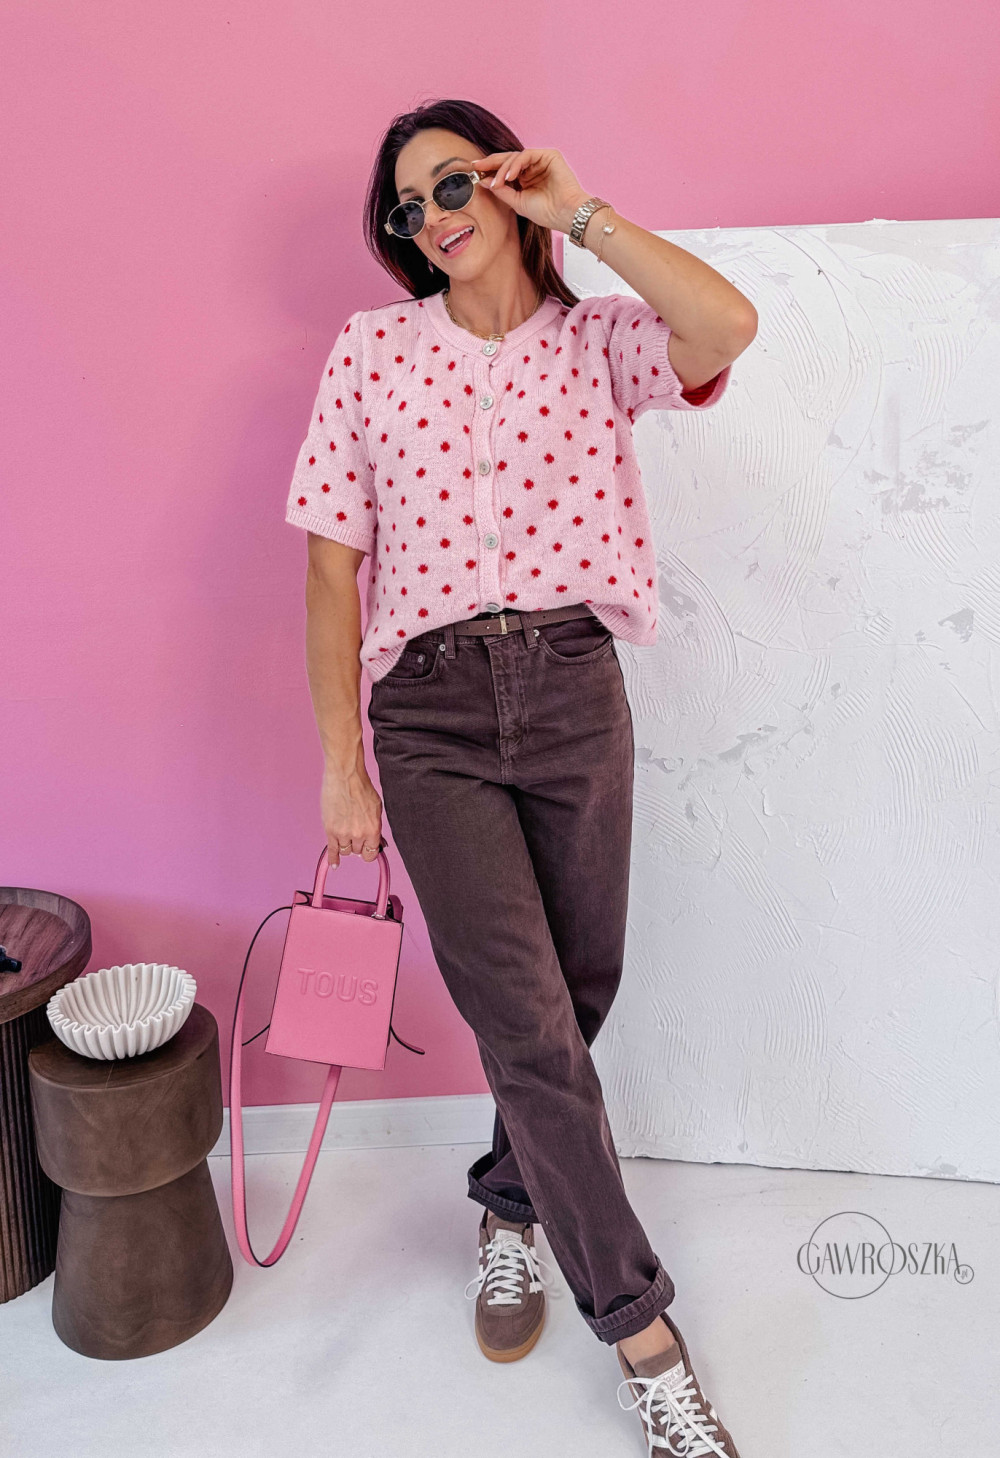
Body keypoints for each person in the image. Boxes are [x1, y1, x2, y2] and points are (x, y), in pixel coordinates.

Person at [284, 97, 756, 1457]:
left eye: (454, 184)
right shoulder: (371, 353)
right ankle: (647, 1341)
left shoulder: (601, 342)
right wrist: (343, 765)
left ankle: (508, 1201)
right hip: (429, 716)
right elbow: (329, 571)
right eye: (409, 207)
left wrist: (582, 214)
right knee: (530, 1026)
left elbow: (727, 326)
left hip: (570, 693)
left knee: (578, 988)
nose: (433, 217)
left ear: (506, 180)